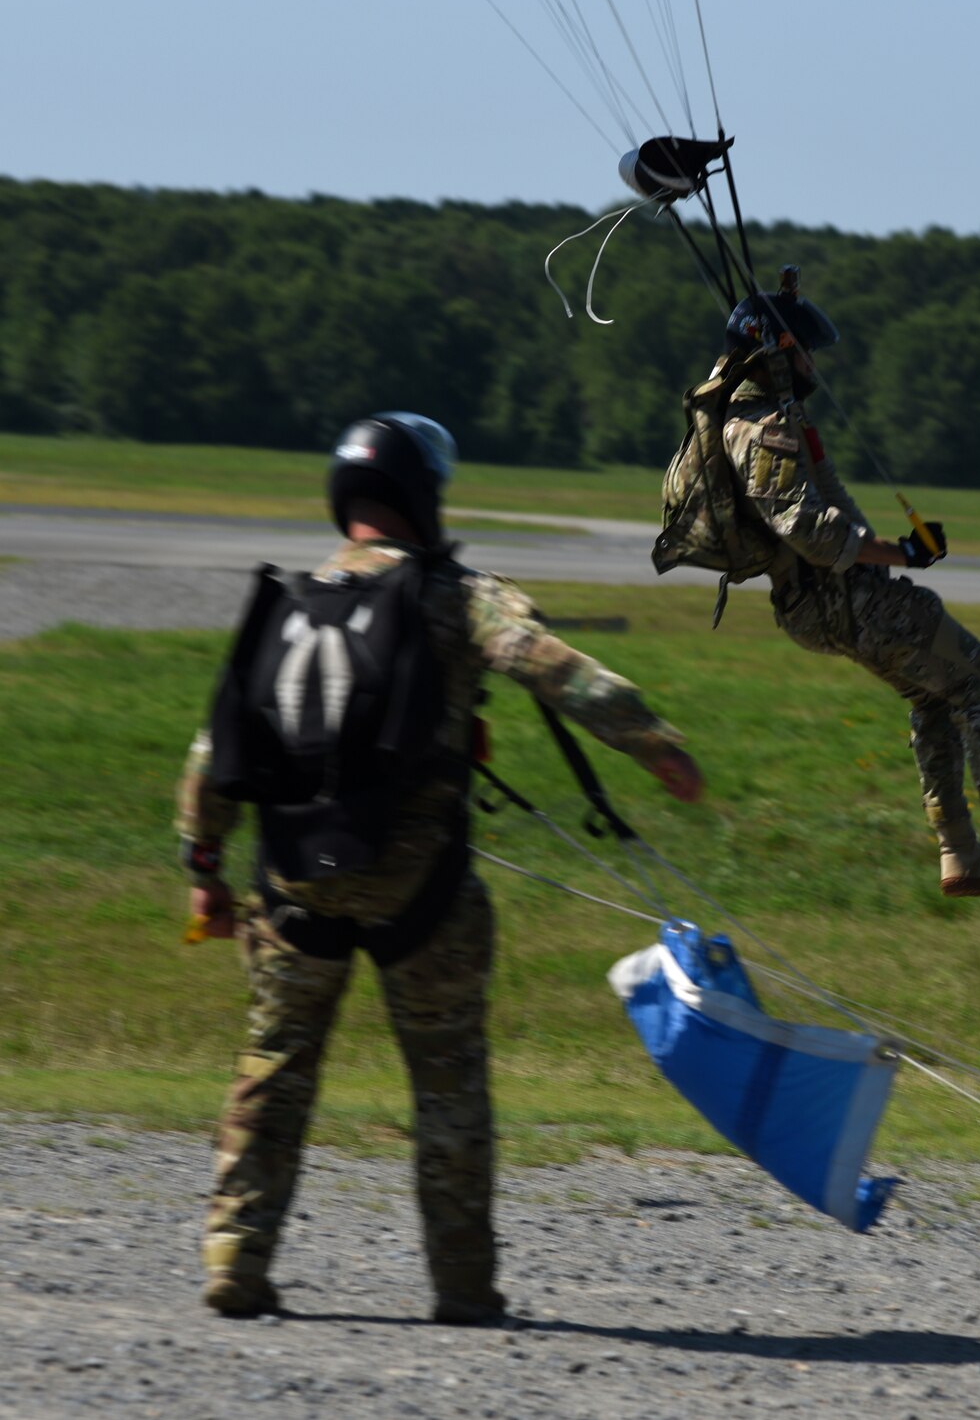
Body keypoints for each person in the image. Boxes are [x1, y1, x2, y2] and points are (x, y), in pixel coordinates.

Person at [177, 412, 703, 1323]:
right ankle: (462, 1286)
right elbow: (553, 667)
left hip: (292, 881)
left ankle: (234, 1257)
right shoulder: (457, 594)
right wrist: (654, 743)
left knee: (272, 1066)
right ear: (424, 493)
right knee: (448, 1078)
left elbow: (216, 746)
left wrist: (204, 868)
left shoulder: (291, 601)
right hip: (420, 890)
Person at [657, 270, 980, 905]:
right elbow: (813, 533)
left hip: (816, 605)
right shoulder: (765, 428)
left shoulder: (754, 416)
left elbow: (829, 504)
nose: (817, 363)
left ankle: (960, 851)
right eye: (807, 350)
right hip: (844, 597)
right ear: (782, 353)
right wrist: (899, 553)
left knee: (933, 699)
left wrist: (884, 551)